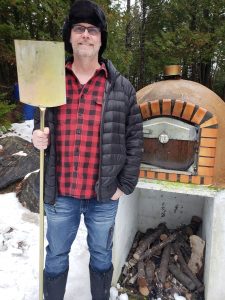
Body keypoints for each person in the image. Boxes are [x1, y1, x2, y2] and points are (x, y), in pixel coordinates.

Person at [32, 1, 143, 299]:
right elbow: (39, 124)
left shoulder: (121, 88)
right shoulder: (50, 82)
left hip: (103, 195)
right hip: (61, 193)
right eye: (79, 29)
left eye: (92, 30)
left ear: (101, 38)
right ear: (69, 36)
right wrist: (36, 138)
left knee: (102, 254)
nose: (85, 35)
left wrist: (125, 184)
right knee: (55, 254)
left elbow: (135, 138)